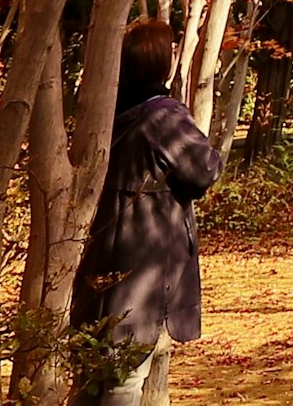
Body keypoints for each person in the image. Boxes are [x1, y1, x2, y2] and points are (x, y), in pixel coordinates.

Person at [74, 20, 222, 406]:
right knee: (124, 377)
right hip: (146, 264)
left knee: (98, 377)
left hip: (102, 256)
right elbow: (203, 170)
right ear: (162, 62)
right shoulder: (162, 116)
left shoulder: (105, 111)